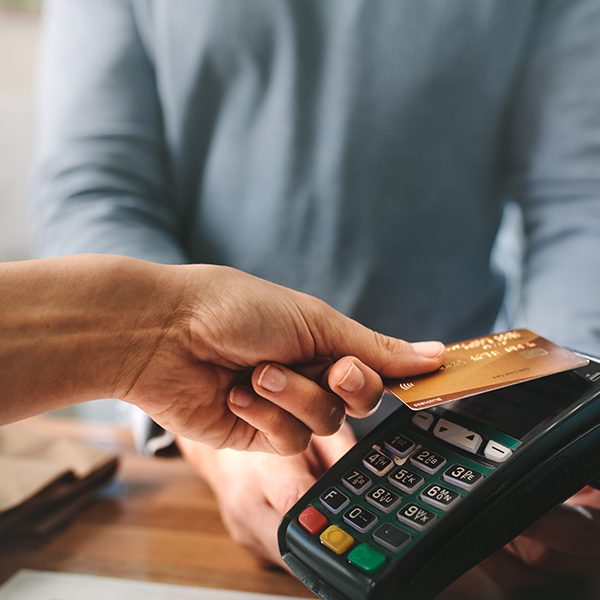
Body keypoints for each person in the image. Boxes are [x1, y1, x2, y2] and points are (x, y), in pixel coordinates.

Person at [32, 0, 600, 594]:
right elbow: (96, 188)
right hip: (182, 460)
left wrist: (568, 430)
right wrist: (204, 424)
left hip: (470, 448)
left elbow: (579, 200)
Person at [0, 253, 445, 450]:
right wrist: (163, 333)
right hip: (196, 460)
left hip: (459, 436)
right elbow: (94, 188)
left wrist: (162, 334)